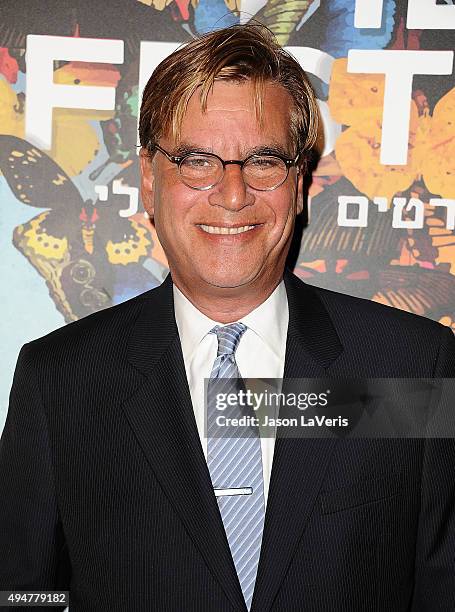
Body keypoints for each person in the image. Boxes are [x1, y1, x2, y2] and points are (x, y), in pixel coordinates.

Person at [1, 23, 454, 612]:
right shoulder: (62, 380)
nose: (233, 192)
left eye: (263, 160)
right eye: (196, 161)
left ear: (298, 184)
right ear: (148, 180)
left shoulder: (410, 369)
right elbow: (22, 595)